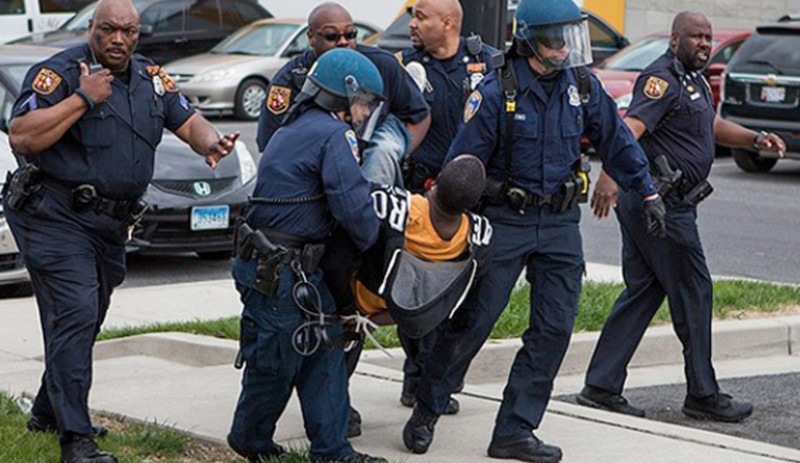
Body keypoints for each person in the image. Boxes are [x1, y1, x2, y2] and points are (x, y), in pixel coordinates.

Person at [401, 0, 667, 461]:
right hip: (506, 220)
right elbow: (462, 165)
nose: (565, 48)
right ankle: (428, 405)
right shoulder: (495, 89)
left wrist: (646, 193)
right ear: (528, 38)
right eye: (554, 38)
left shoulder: (581, 86)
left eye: (571, 37)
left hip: (561, 224)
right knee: (474, 321)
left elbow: (617, 140)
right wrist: (445, 221)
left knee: (554, 328)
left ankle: (515, 430)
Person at [4, 0, 240, 461]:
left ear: (138, 34)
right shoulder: (60, 74)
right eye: (108, 29)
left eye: (128, 31)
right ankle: (77, 441)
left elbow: (187, 118)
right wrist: (83, 98)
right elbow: (22, 135)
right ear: (91, 28)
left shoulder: (152, 77)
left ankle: (48, 411)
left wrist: (212, 142)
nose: (118, 39)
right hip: (55, 215)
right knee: (75, 313)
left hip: (110, 222)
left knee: (87, 317)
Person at [577, 11, 786, 423]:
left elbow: (709, 126)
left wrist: (755, 138)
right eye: (696, 37)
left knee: (644, 290)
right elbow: (630, 128)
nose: (705, 44)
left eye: (708, 38)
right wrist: (609, 176)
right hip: (661, 204)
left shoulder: (692, 80)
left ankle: (600, 385)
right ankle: (703, 394)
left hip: (660, 202)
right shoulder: (661, 80)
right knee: (695, 290)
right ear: (675, 40)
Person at [226, 48, 387, 463]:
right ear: (341, 96)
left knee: (326, 351)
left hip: (286, 268)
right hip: (282, 271)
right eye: (363, 102)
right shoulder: (335, 135)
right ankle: (249, 438)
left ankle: (333, 451)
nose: (365, 111)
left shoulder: (290, 128)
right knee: (277, 361)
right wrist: (376, 240)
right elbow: (354, 208)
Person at [394, 0, 498, 412]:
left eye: (421, 17)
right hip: (421, 196)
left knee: (462, 293)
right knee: (416, 287)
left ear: (449, 23)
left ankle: (432, 379)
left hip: (472, 197)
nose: (413, 24)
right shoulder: (404, 67)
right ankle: (417, 378)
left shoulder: (487, 63)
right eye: (413, 16)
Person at [256, 1, 430, 186]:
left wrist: (395, 154)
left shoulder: (382, 65)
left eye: (350, 34)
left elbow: (420, 116)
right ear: (311, 37)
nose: (343, 42)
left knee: (382, 153)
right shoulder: (288, 80)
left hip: (369, 168)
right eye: (332, 36)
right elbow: (270, 145)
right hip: (313, 174)